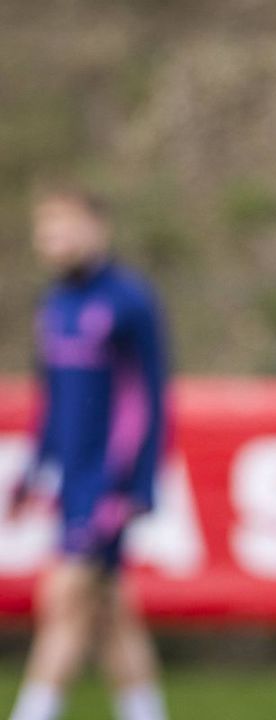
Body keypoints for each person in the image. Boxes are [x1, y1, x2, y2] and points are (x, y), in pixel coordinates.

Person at [8, 188, 169, 720]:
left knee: (64, 601)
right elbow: (52, 399)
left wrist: (133, 486)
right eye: (46, 228)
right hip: (71, 482)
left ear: (97, 228)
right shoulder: (54, 303)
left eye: (65, 226)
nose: (53, 239)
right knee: (110, 615)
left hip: (107, 484)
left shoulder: (129, 301)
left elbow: (148, 400)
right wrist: (33, 471)